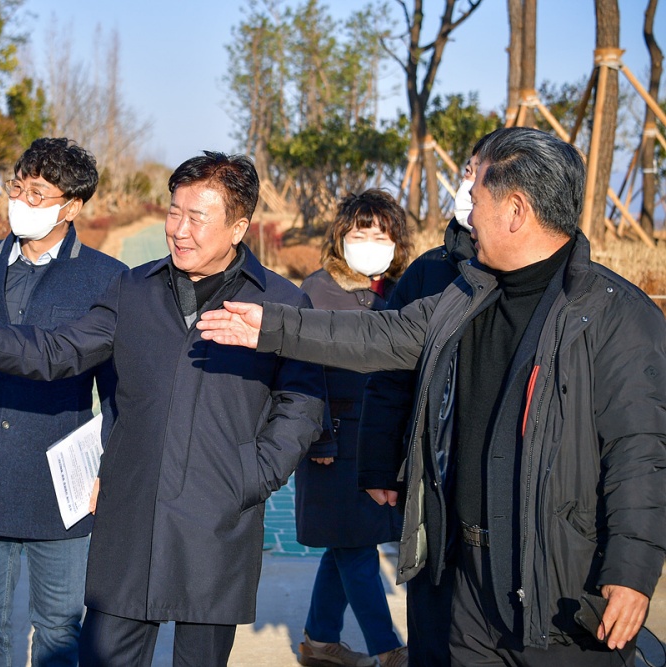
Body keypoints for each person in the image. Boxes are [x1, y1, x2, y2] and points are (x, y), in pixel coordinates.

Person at [198, 127, 666, 665]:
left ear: (515, 210)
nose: (466, 208)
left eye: (478, 195)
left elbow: (641, 455)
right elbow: (379, 337)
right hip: (460, 573)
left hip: (558, 586)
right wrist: (272, 327)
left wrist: (630, 571)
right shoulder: (466, 293)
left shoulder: (616, 316)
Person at [0, 151, 325, 667]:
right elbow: (58, 352)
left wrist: (255, 473)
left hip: (216, 516)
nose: (179, 230)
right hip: (131, 514)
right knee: (104, 656)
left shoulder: (279, 302)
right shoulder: (133, 290)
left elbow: (302, 399)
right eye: (174, 212)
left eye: (197, 218)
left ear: (238, 227)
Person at [0, 137, 125, 667]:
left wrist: (106, 463)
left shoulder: (106, 277)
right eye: (17, 187)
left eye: (38, 192)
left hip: (61, 471)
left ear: (72, 206)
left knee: (61, 622)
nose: (20, 199)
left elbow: (117, 385)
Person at [356, 137, 486, 667]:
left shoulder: (568, 285)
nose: (470, 188)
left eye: (483, 175)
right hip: (431, 475)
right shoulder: (431, 272)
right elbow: (389, 375)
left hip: (503, 482)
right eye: (468, 172)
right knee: (432, 608)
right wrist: (377, 463)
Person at [295, 190, 410, 667]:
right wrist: (319, 434)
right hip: (335, 440)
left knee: (345, 543)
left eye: (380, 233)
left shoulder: (399, 291)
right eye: (359, 232)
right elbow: (303, 367)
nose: (369, 241)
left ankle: (319, 641)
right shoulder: (317, 290)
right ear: (340, 236)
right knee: (357, 546)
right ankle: (389, 649)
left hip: (377, 439)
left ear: (395, 242)